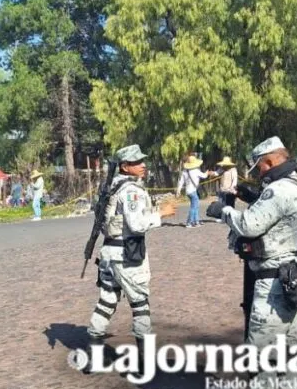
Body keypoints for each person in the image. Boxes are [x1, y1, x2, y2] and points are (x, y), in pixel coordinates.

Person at [206, 136, 297, 389]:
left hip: (274, 286)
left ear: (269, 162)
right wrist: (253, 196)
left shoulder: (278, 190)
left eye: (260, 167)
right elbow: (288, 220)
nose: (259, 172)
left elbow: (248, 225)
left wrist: (222, 211)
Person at [85, 144, 172, 374]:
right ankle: (145, 364)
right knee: (140, 305)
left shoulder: (111, 188)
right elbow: (137, 225)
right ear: (125, 167)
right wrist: (161, 214)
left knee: (106, 302)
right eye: (136, 162)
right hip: (127, 256)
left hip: (108, 255)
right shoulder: (131, 191)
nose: (143, 165)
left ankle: (94, 357)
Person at [176, 156, 214, 228]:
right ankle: (189, 222)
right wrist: (207, 172)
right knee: (194, 207)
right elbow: (204, 176)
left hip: (188, 191)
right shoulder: (195, 170)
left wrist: (178, 191)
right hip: (193, 191)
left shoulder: (184, 171)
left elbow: (180, 182)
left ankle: (196, 221)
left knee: (195, 206)